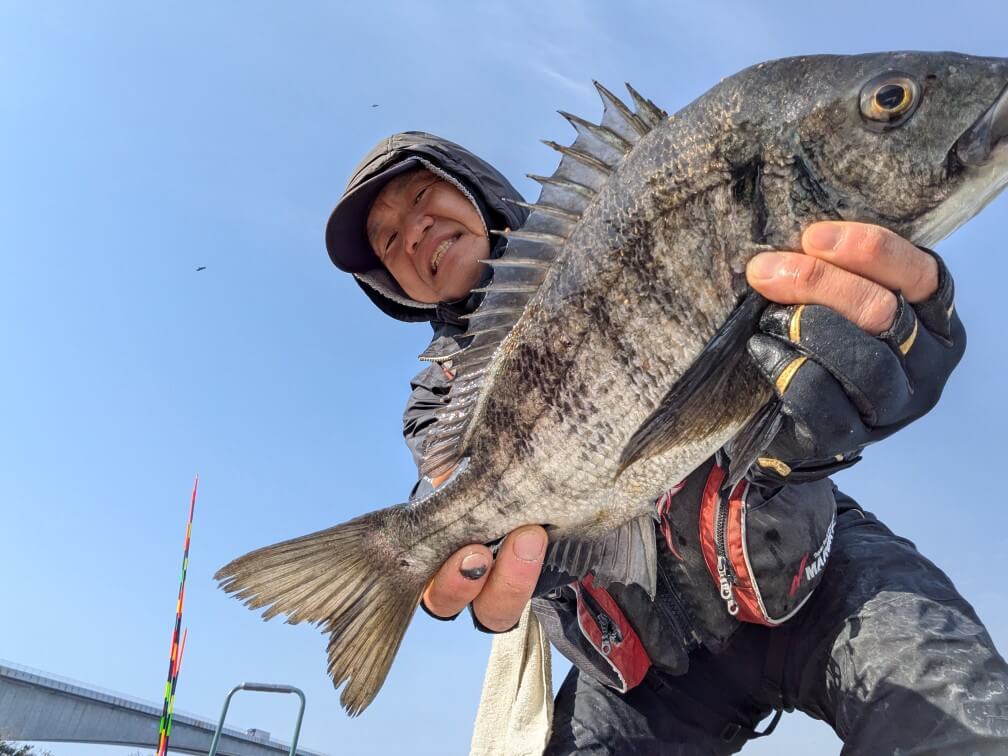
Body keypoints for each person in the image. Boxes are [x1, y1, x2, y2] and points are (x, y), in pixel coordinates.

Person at [325, 131, 1008, 754]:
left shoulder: (621, 224)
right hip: (637, 672)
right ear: (391, 285)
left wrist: (864, 361)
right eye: (387, 243)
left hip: (813, 572)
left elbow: (775, 330)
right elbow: (446, 476)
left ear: (472, 186)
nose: (413, 234)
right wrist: (440, 536)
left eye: (422, 196)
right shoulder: (437, 398)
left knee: (966, 729)